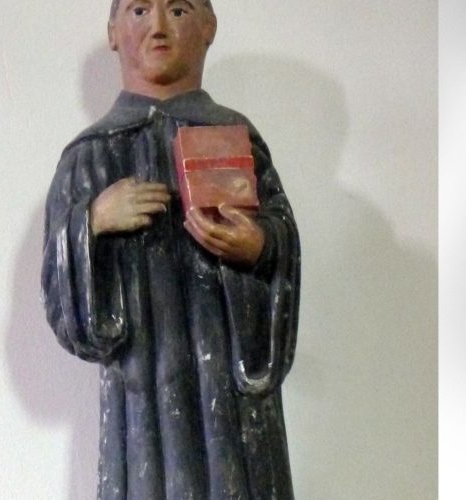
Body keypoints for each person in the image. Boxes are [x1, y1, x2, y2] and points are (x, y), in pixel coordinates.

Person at [41, 0, 300, 498]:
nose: (158, 27)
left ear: (209, 27)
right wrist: (93, 221)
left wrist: (261, 244)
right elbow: (58, 290)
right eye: (139, 10)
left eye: (178, 10)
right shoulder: (88, 155)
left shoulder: (235, 138)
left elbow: (282, 240)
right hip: (141, 395)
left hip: (230, 396)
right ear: (113, 31)